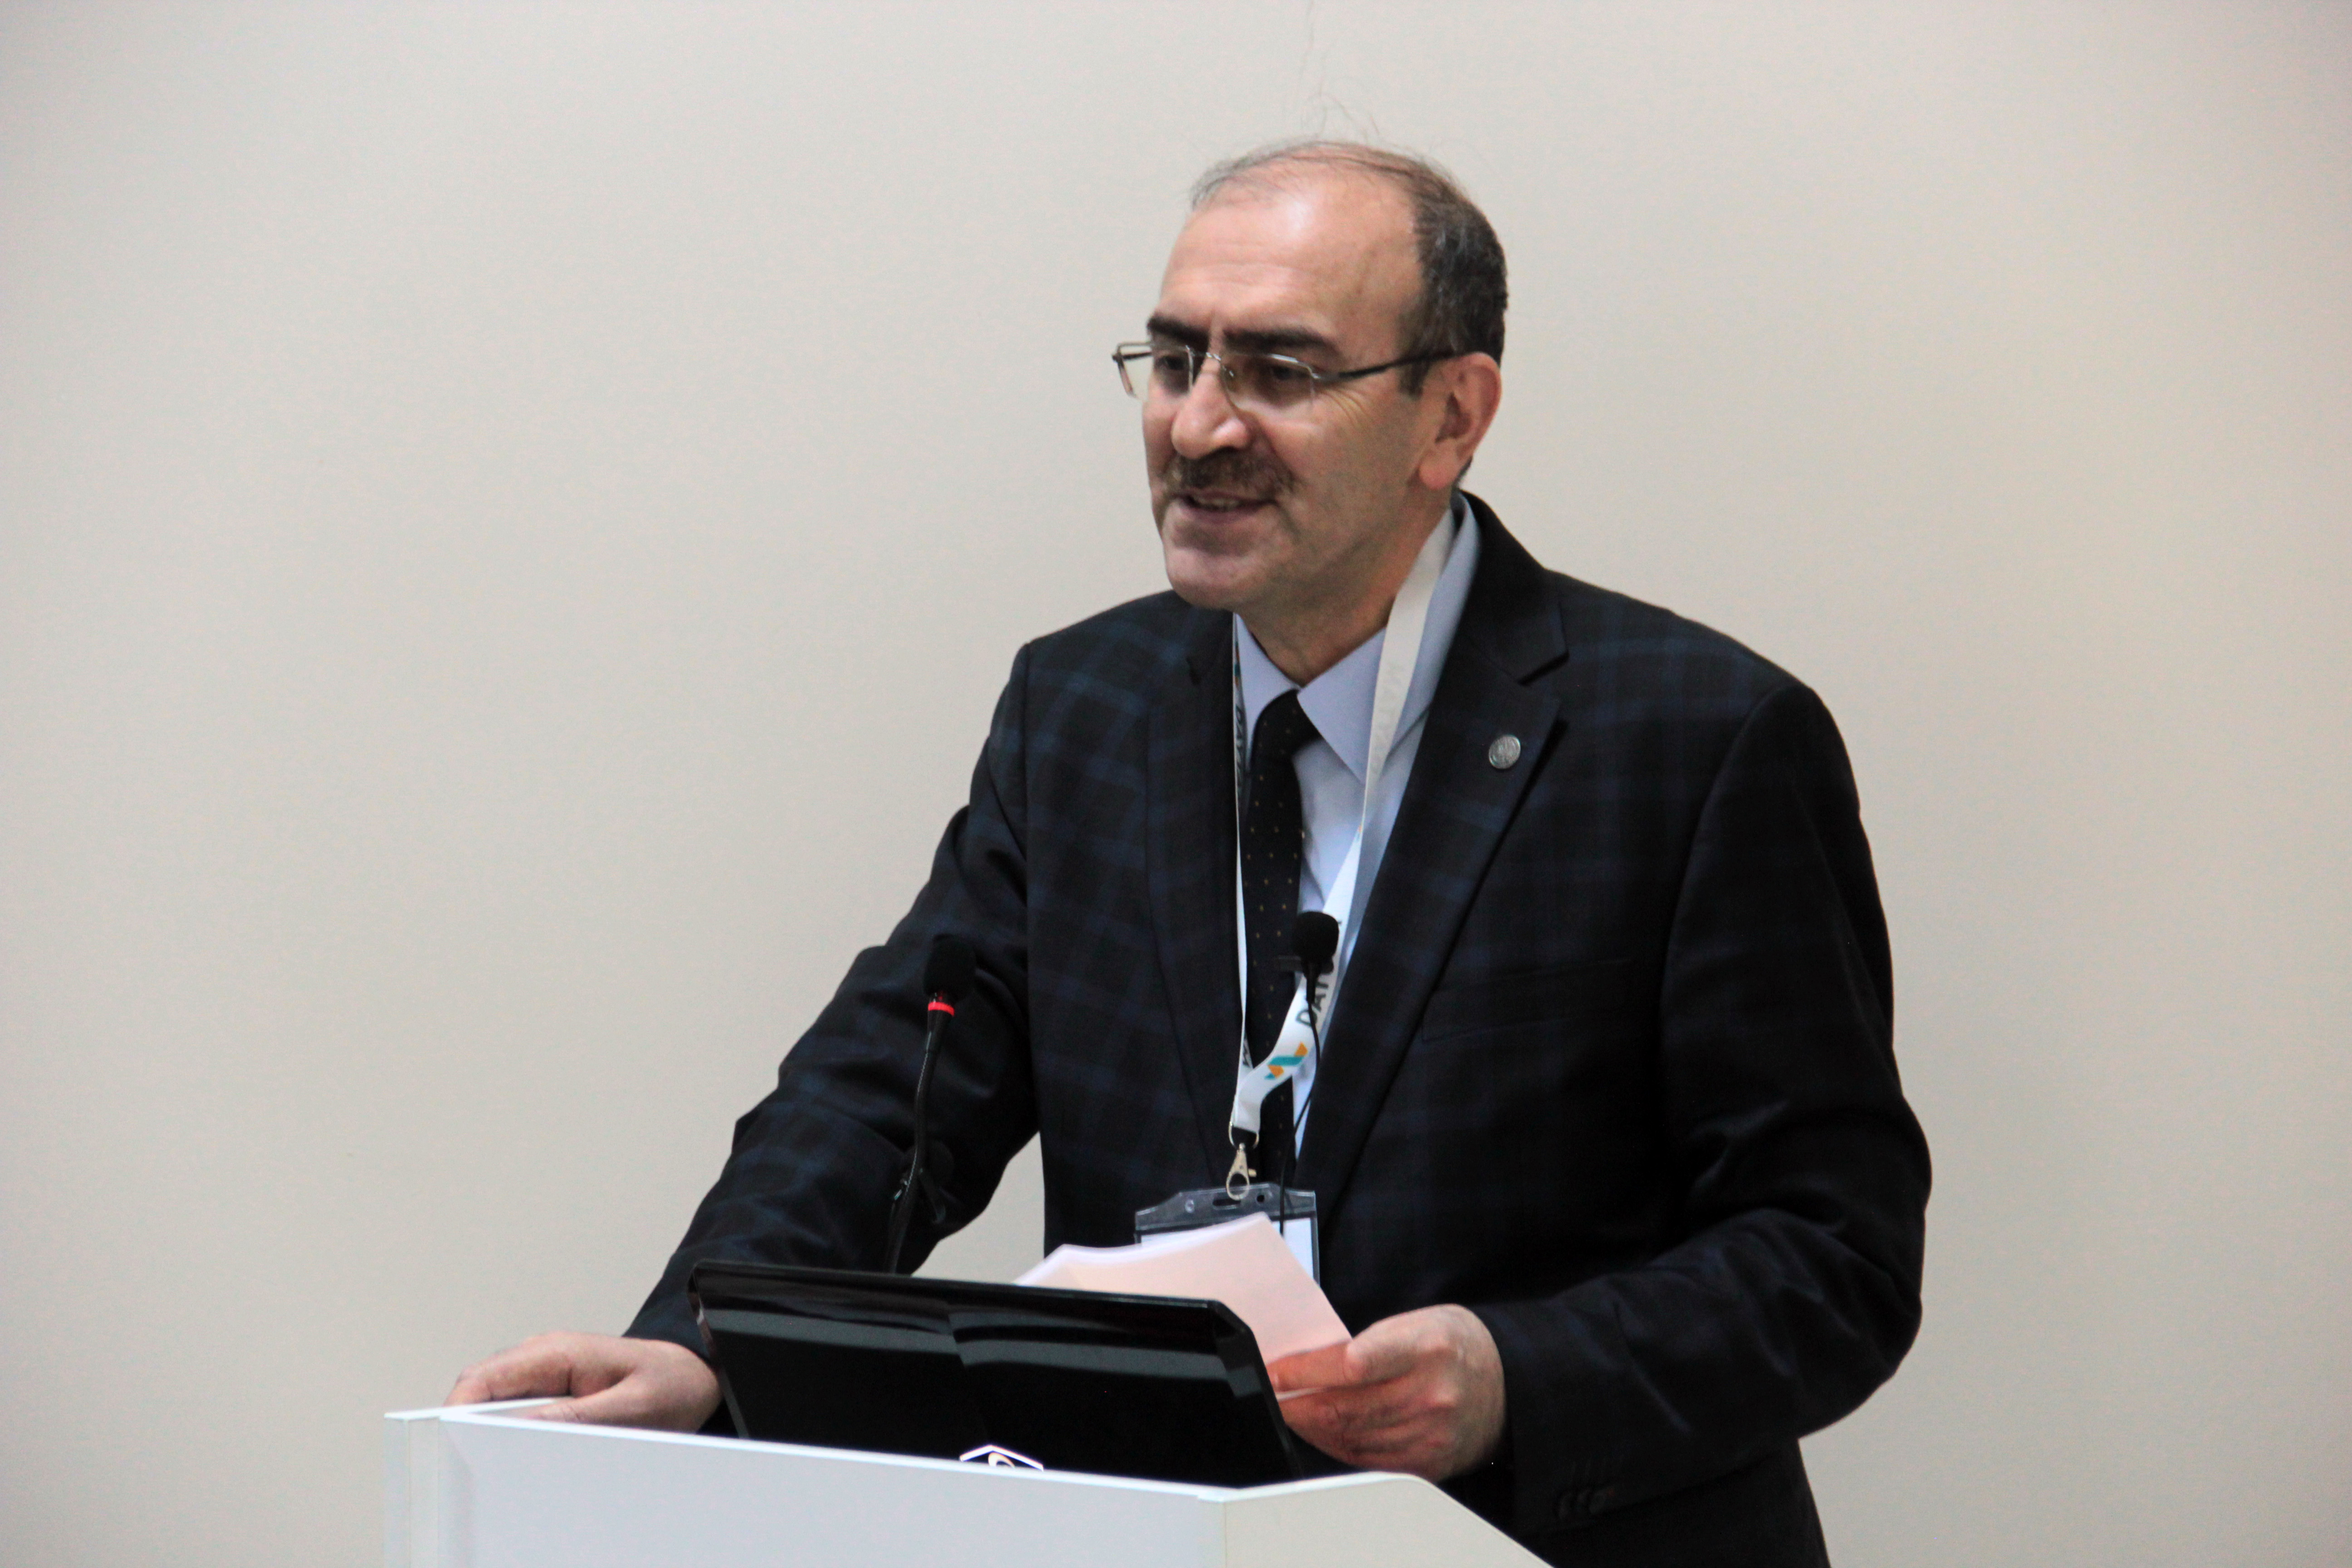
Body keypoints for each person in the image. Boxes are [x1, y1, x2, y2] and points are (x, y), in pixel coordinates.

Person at [450, 141, 1930, 1566]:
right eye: (1174, 361)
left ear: (1451, 417)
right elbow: (892, 1090)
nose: (1200, 426)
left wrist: (1512, 1379)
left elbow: (1832, 1253)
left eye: (1282, 372)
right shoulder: (1082, 711)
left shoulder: (1694, 741)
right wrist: (699, 1346)